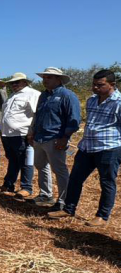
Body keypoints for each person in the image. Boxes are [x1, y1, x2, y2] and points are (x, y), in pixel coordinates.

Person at [48, 70, 121, 227]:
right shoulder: (92, 100)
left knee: (107, 182)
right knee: (75, 179)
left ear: (112, 85)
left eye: (100, 85)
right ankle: (69, 209)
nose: (95, 88)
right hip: (87, 147)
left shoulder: (119, 103)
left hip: (108, 148)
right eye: (93, 84)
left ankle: (102, 216)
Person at [28, 67, 81, 210]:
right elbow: (37, 115)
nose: (45, 80)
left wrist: (65, 137)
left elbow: (74, 119)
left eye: (49, 77)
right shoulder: (43, 96)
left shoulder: (67, 95)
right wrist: (31, 132)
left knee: (59, 169)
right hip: (39, 137)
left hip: (55, 138)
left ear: (59, 79)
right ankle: (45, 194)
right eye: (44, 77)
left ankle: (64, 200)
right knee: (41, 166)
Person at [0, 73, 40, 198]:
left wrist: (32, 132)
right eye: (12, 83)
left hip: (22, 134)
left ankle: (26, 187)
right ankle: (9, 184)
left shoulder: (33, 94)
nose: (14, 85)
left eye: (17, 82)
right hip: (7, 134)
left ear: (25, 82)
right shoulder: (12, 96)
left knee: (25, 160)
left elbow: (36, 114)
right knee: (13, 160)